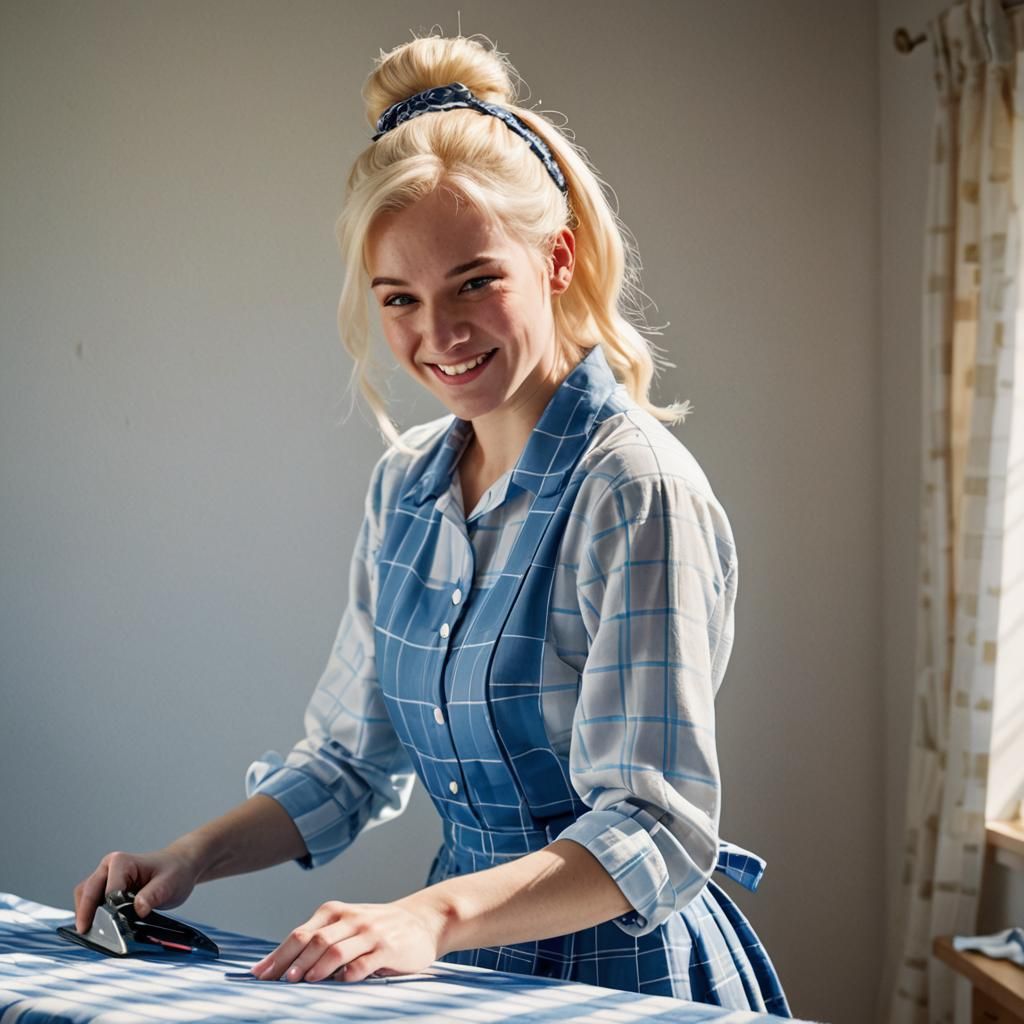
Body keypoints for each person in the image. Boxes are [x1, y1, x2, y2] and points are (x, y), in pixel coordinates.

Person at [73, 34, 791, 1015]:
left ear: (557, 257)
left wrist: (429, 917)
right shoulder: (405, 486)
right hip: (460, 976)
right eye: (399, 299)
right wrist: (189, 858)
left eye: (474, 283)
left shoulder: (631, 487)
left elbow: (654, 827)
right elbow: (346, 760)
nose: (438, 335)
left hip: (621, 980)